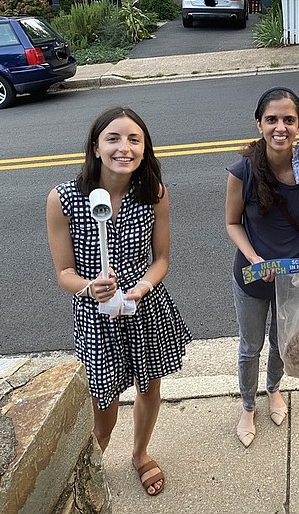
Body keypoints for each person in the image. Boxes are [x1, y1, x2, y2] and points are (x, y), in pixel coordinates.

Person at [46, 107, 191, 496]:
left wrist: (142, 287)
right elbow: (64, 272)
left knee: (148, 387)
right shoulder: (63, 198)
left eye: (133, 139)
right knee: (103, 404)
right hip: (95, 314)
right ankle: (91, 466)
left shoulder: (154, 192)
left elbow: (161, 259)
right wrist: (90, 287)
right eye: (113, 138)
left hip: (144, 305)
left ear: (144, 149)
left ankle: (140, 453)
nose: (123, 148)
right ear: (95, 146)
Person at [225, 87, 299, 448]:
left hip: (297, 275)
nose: (280, 127)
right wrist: (256, 259)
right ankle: (246, 406)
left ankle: (273, 389)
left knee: (281, 342)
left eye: (289, 119)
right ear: (259, 124)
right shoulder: (243, 171)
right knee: (250, 345)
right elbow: (232, 224)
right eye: (271, 119)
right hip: (254, 276)